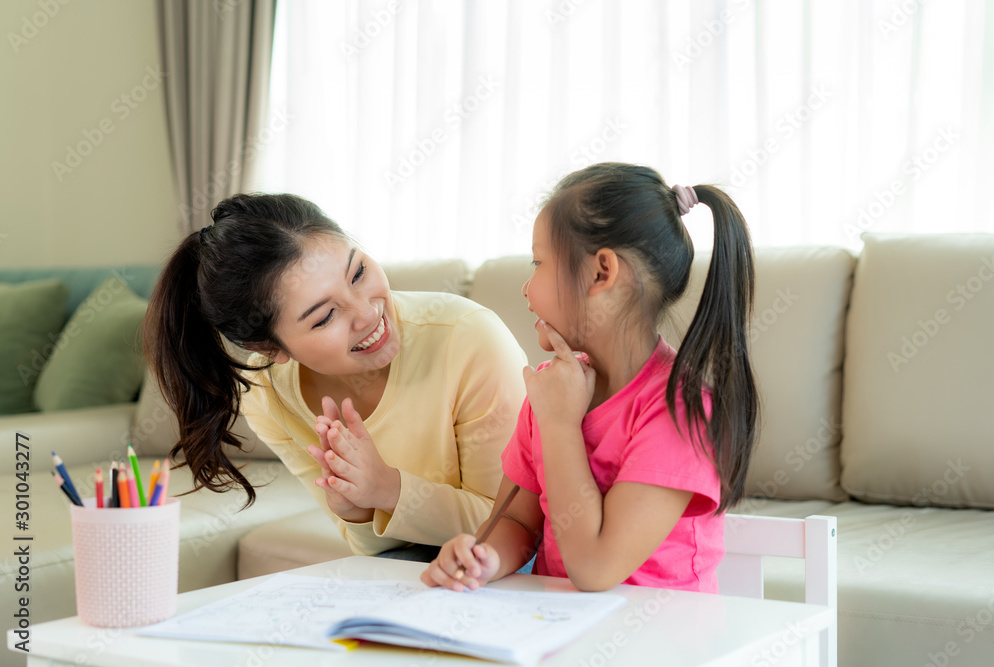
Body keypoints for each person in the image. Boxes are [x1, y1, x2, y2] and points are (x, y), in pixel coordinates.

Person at [421, 162, 759, 592]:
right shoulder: (552, 387)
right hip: (560, 625)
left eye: (538, 262)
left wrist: (560, 424)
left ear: (602, 272)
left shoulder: (681, 407)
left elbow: (595, 568)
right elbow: (516, 520)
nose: (526, 289)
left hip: (662, 637)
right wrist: (485, 556)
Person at [143, 193, 527, 557]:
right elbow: (376, 553)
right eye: (325, 316)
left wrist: (387, 489)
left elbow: (514, 527)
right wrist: (355, 511)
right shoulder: (267, 394)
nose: (367, 313)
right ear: (271, 349)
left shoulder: (468, 338)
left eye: (358, 272)